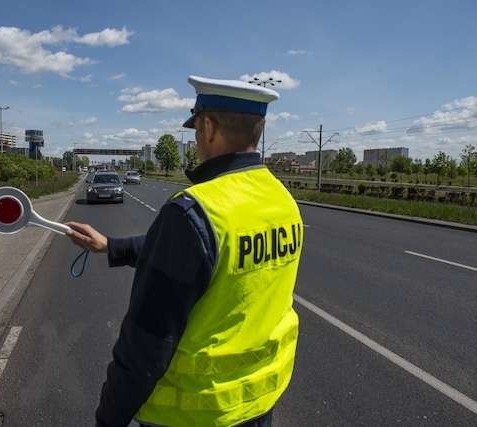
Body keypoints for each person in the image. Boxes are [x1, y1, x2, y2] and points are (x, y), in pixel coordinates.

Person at [66, 75, 304, 427]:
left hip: (192, 414)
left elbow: (146, 346)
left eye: (195, 130)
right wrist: (111, 246)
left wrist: (108, 419)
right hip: (257, 404)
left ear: (208, 127)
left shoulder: (196, 209)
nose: (195, 141)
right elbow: (205, 254)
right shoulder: (281, 200)